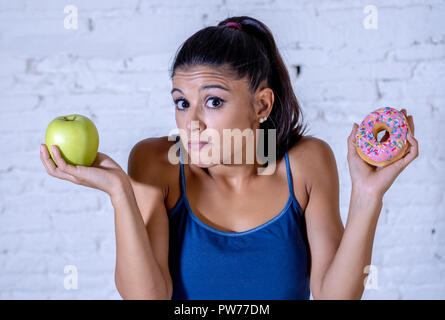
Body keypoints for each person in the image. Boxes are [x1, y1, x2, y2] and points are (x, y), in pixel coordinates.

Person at [40, 16, 418, 300]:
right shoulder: (157, 163)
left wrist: (368, 196)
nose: (192, 122)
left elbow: (335, 296)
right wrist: (120, 193)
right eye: (182, 103)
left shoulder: (306, 163)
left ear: (262, 104)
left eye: (214, 101)